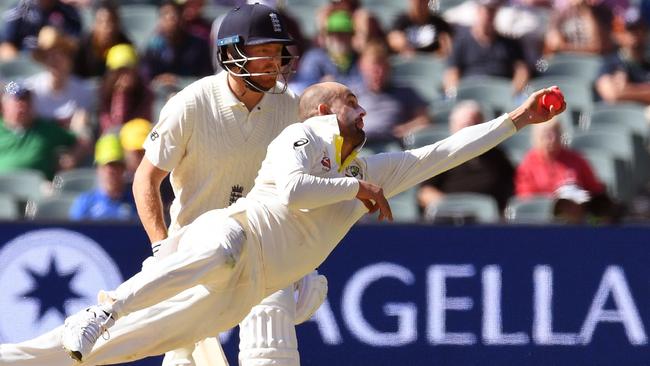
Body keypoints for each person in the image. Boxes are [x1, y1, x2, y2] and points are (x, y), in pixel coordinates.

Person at [0, 82, 564, 366]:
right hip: (230, 237)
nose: (364, 112)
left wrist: (516, 119)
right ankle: (105, 307)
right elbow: (293, 192)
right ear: (323, 113)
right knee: (218, 251)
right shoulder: (297, 138)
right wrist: (355, 188)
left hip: (251, 286)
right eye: (351, 103)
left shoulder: (366, 168)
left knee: (123, 348)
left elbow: (442, 152)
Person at [133, 3, 324, 366]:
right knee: (182, 357)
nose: (275, 61)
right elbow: (146, 178)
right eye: (264, 51)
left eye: (278, 51)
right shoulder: (191, 104)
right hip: (195, 249)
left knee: (272, 346)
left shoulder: (290, 108)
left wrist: (304, 260)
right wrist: (161, 249)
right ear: (231, 53)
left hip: (263, 245)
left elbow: (302, 183)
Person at [417, 100, 515, 216]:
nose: (469, 131)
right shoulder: (442, 155)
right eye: (464, 126)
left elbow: (512, 186)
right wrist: (451, 208)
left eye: (474, 125)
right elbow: (425, 193)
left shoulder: (496, 155)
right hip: (449, 221)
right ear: (452, 127)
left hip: (488, 223)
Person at [443, 0, 530, 97]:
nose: (489, 15)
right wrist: (455, 94)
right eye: (486, 10)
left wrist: (512, 93)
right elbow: (452, 73)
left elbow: (521, 71)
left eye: (492, 11)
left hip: (500, 94)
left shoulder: (509, 44)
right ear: (478, 11)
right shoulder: (461, 42)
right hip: (471, 93)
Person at [352, 41, 430, 145]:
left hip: (392, 147)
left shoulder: (405, 92)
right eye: (373, 69)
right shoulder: (353, 94)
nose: (378, 73)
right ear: (362, 67)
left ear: (389, 67)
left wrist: (405, 129)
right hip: (361, 146)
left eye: (381, 67)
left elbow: (424, 120)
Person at [0, 82, 82, 180]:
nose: (23, 104)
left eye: (27, 99)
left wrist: (73, 158)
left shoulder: (46, 129)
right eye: (17, 99)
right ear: (3, 105)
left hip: (40, 190)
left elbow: (81, 141)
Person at [515, 117, 605, 198]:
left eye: (556, 134)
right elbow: (526, 196)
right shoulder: (528, 163)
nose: (552, 139)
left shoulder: (576, 159)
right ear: (536, 137)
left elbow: (594, 189)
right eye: (546, 135)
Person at [140, 0, 213, 87]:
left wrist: (178, 81)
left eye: (174, 15)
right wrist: (160, 80)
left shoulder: (199, 45)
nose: (170, 19)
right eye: (165, 15)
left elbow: (206, 78)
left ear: (182, 18)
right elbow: (145, 78)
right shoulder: (153, 47)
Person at [69, 134, 138, 221]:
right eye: (107, 166)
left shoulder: (136, 202)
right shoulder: (85, 203)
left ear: (124, 168)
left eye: (117, 165)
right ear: (98, 168)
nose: (111, 171)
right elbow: (75, 232)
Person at [291, 10, 362, 93]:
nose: (337, 38)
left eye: (343, 33)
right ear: (326, 36)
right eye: (332, 33)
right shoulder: (313, 58)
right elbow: (303, 86)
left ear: (351, 35)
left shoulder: (360, 59)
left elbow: (365, 88)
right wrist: (320, 86)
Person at [595, 7, 650, 104]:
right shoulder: (611, 62)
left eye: (640, 29)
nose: (635, 35)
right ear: (621, 34)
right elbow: (612, 95)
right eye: (630, 30)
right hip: (613, 117)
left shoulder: (647, 63)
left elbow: (619, 93)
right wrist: (644, 89)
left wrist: (626, 89)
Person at [98, 44, 153, 134]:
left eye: (127, 71)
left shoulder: (147, 93)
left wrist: (126, 94)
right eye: (118, 72)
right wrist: (120, 94)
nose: (123, 77)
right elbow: (114, 125)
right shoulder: (103, 94)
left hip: (139, 136)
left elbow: (144, 122)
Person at [0, 0, 82, 61]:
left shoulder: (69, 12)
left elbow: (76, 47)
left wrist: (60, 39)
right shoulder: (19, 9)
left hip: (56, 68)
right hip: (25, 68)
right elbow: (6, 47)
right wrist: (23, 63)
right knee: (8, 83)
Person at [73, 0, 132, 79]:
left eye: (113, 21)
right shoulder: (82, 47)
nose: (109, 28)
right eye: (103, 22)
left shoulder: (125, 45)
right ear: (94, 24)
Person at [387, 0, 453, 57]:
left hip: (432, 64)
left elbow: (446, 47)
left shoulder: (439, 23)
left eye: (422, 0)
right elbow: (393, 41)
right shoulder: (400, 22)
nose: (419, 4)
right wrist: (401, 45)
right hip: (409, 63)